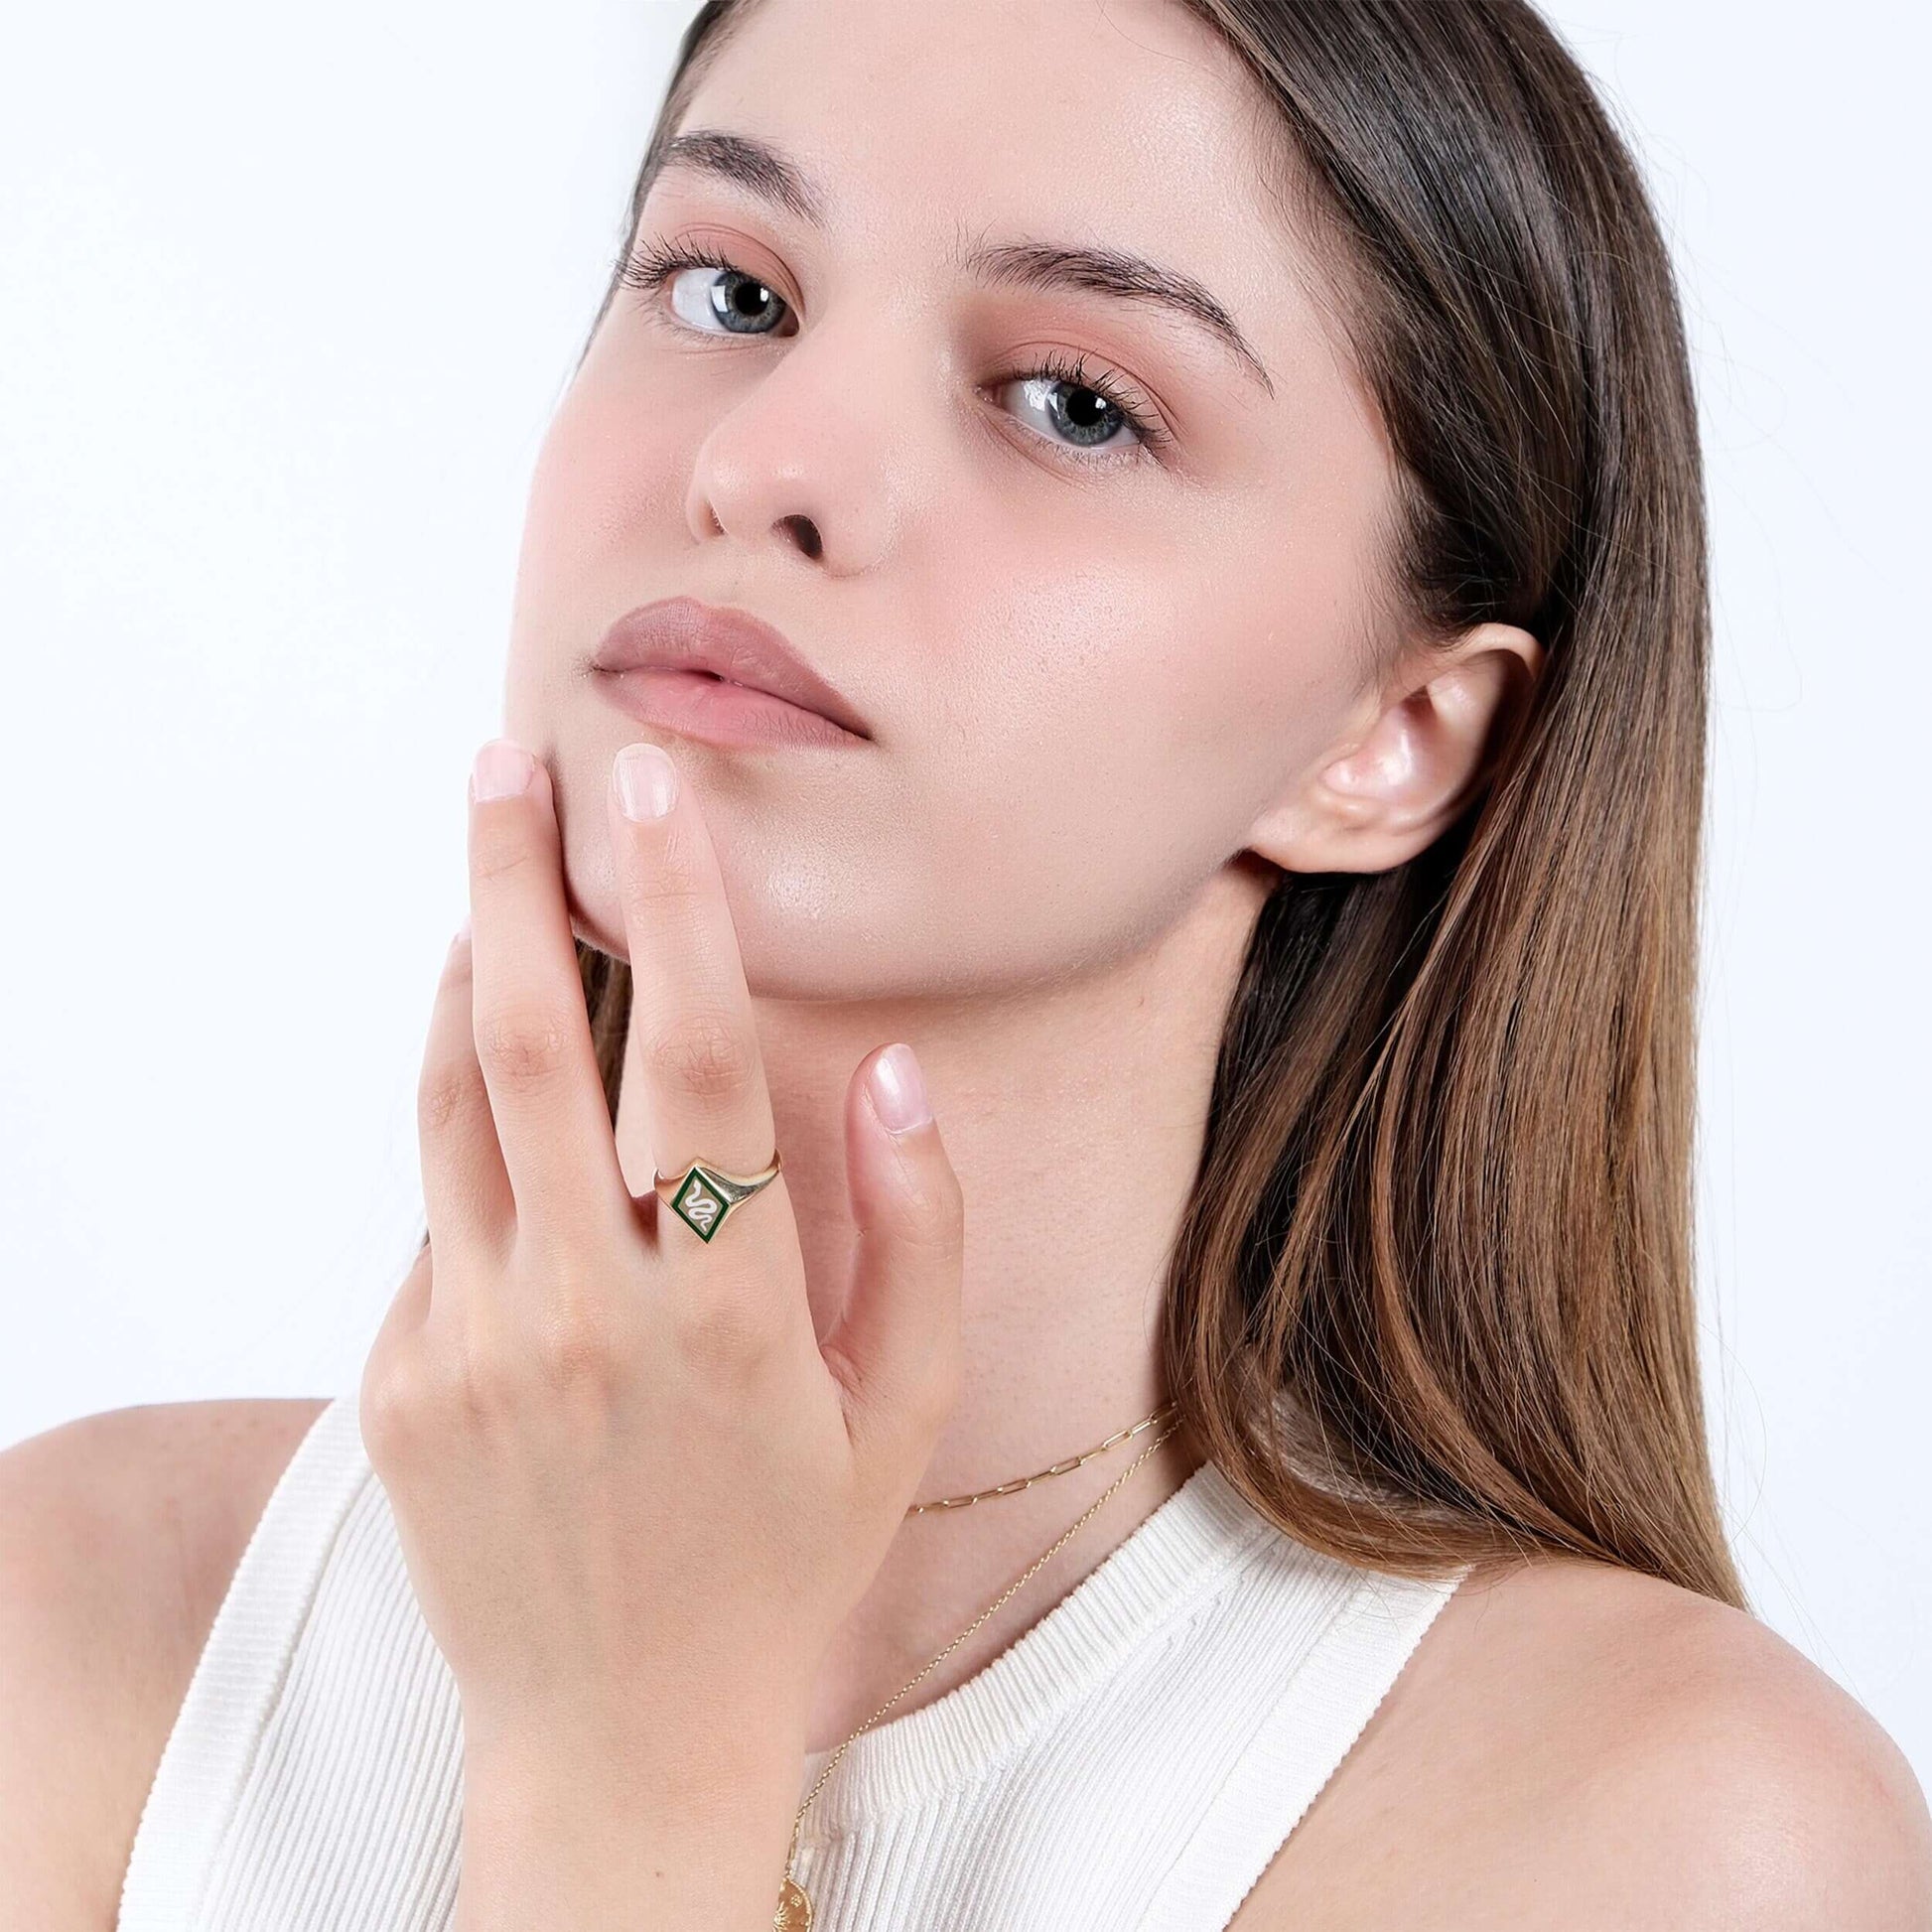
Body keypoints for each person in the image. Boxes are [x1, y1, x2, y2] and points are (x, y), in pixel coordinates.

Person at [7, 0, 1929, 1925]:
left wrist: (632, 1778)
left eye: (1076, 402)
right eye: (732, 291)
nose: (769, 464)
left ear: (1394, 735)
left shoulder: (1656, 1834)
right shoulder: (78, 1626)